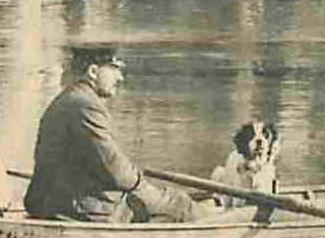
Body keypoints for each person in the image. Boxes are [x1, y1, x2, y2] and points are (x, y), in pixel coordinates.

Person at [23, 45, 197, 223]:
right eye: (115, 69)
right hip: (75, 209)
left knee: (163, 200)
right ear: (93, 71)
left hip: (54, 201)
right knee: (181, 204)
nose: (120, 78)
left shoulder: (70, 99)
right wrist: (143, 185)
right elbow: (115, 169)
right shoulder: (85, 106)